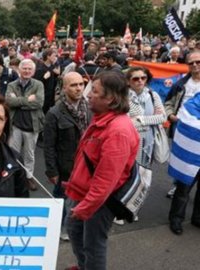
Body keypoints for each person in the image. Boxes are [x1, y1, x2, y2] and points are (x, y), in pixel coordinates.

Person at [64, 71, 139, 270]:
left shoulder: (118, 131)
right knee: (74, 231)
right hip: (84, 194)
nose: (88, 94)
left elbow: (105, 181)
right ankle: (84, 266)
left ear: (111, 98)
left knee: (93, 244)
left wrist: (85, 207)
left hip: (99, 201)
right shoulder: (102, 118)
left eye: (94, 91)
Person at [114, 67, 166, 226]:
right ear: (128, 81)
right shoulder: (122, 96)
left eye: (143, 78)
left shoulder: (153, 95)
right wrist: (145, 119)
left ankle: (133, 209)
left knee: (143, 179)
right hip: (127, 143)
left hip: (147, 144)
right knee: (124, 178)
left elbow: (162, 117)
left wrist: (141, 120)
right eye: (136, 78)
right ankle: (119, 211)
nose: (140, 81)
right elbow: (121, 119)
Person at [44, 72, 91, 240]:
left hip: (87, 164)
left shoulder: (91, 108)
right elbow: (48, 145)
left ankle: (78, 225)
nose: (79, 88)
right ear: (64, 88)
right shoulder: (54, 113)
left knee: (84, 197)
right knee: (62, 200)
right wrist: (52, 171)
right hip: (65, 167)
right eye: (73, 85)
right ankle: (60, 229)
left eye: (81, 84)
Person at [168, 51, 200, 235]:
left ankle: (197, 218)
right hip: (185, 139)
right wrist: (171, 115)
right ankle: (176, 219)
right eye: (191, 63)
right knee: (184, 182)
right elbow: (168, 103)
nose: (195, 65)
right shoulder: (180, 84)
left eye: (198, 62)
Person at [5, 59, 44, 191]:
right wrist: (28, 100)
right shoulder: (11, 85)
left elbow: (39, 103)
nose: (27, 71)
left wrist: (18, 101)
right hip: (15, 125)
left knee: (29, 155)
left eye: (29, 69)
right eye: (24, 68)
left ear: (33, 71)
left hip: (32, 126)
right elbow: (9, 102)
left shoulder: (38, 84)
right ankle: (14, 176)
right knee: (13, 153)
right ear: (19, 70)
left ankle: (28, 177)